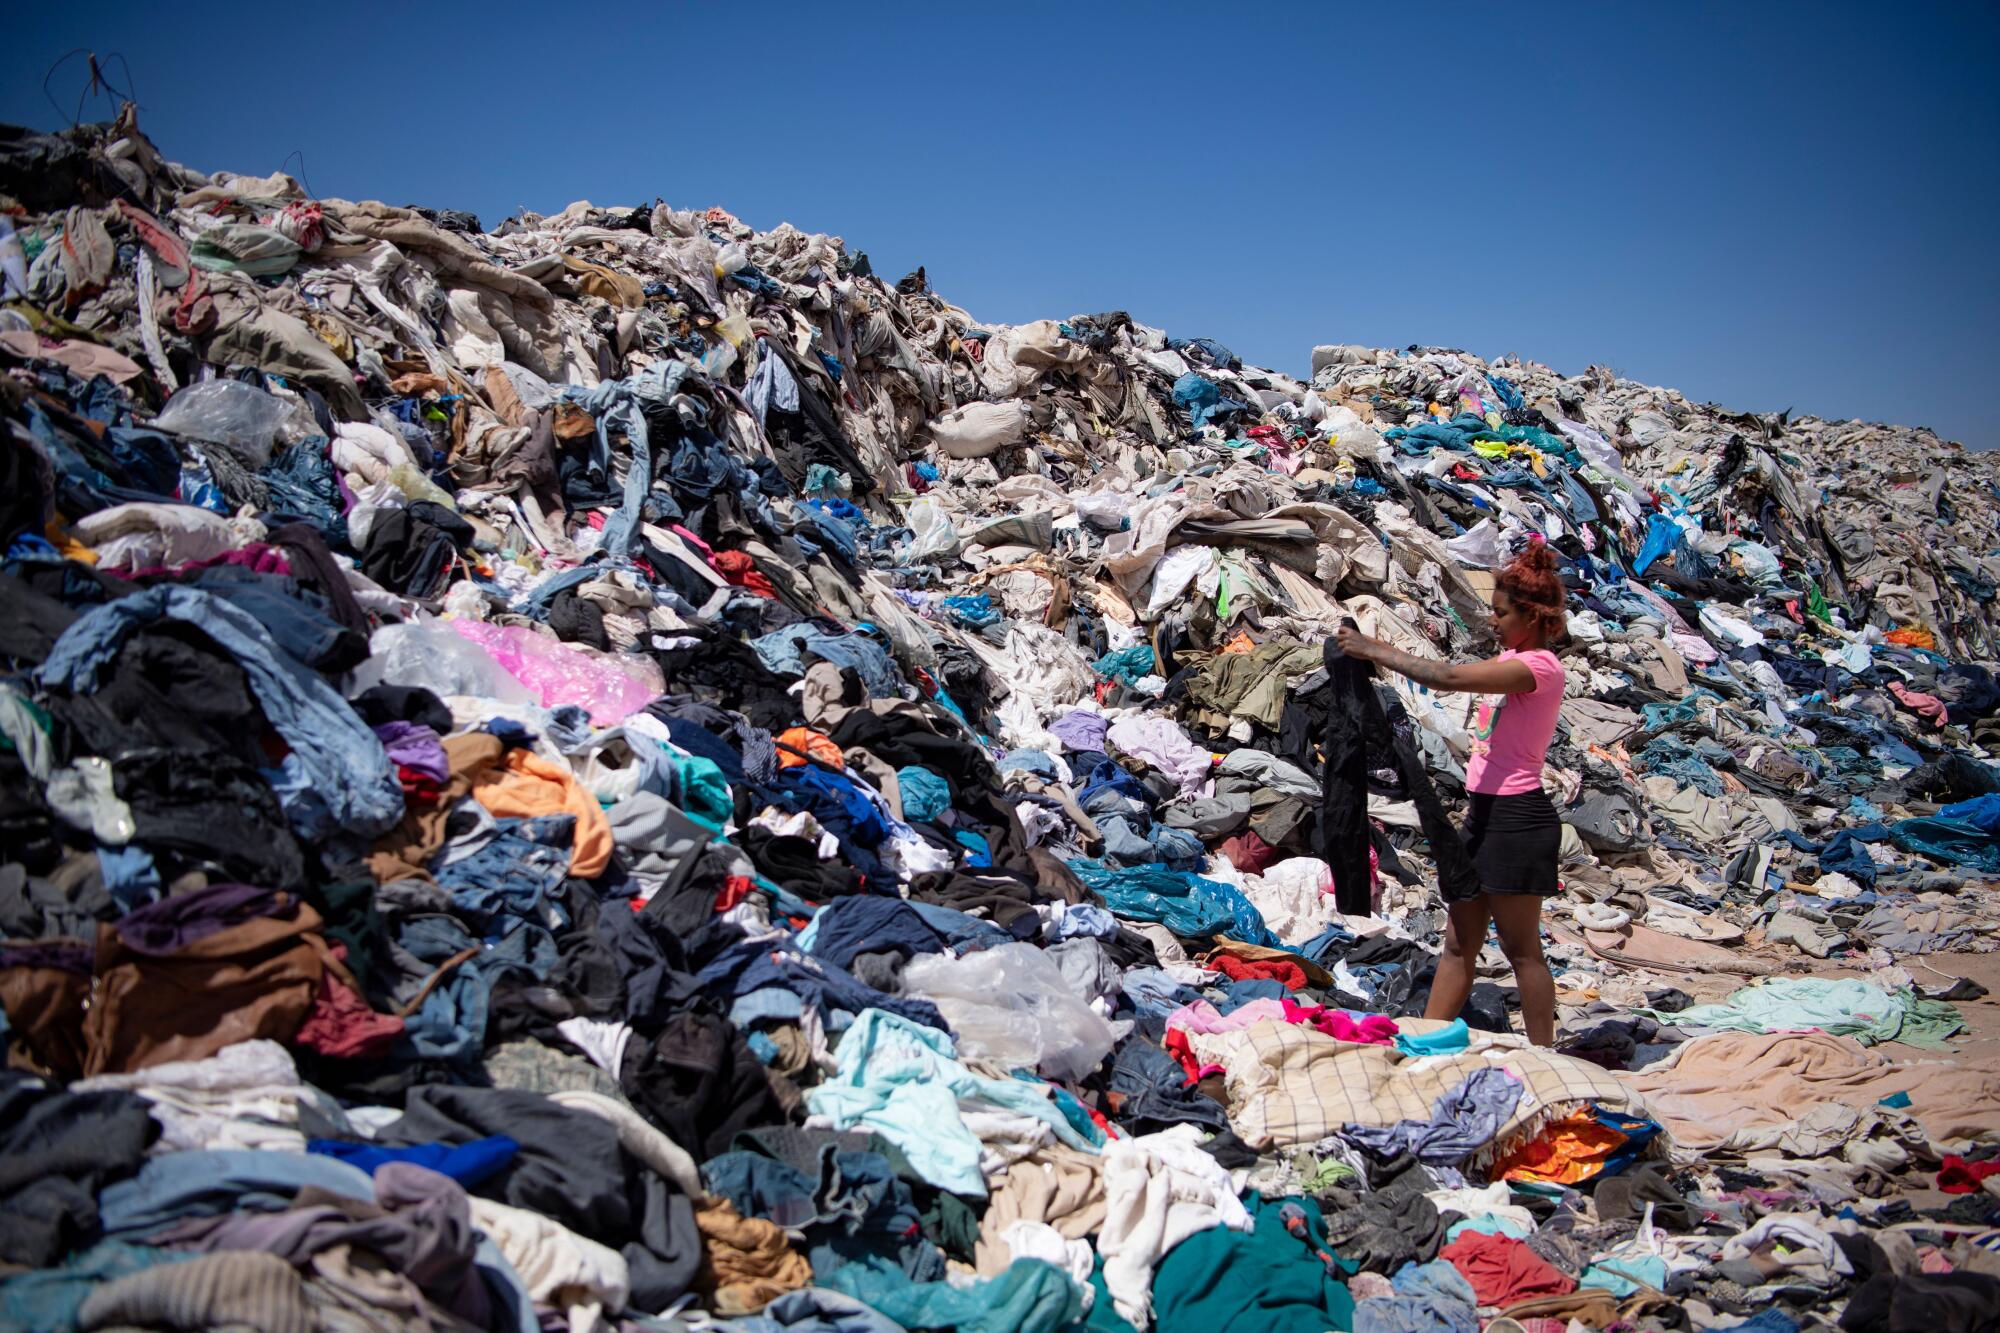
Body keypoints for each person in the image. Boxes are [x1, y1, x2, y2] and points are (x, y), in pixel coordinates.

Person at [1333, 539, 1568, 1045]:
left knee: (1522, 948)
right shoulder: (1513, 657)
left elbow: (1447, 676)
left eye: (1502, 613)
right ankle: (1423, 1042)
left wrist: (1374, 649)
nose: (1494, 621)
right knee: (1459, 943)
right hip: (1482, 817)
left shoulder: (1540, 669)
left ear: (1531, 617)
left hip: (1518, 820)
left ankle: (1546, 1055)